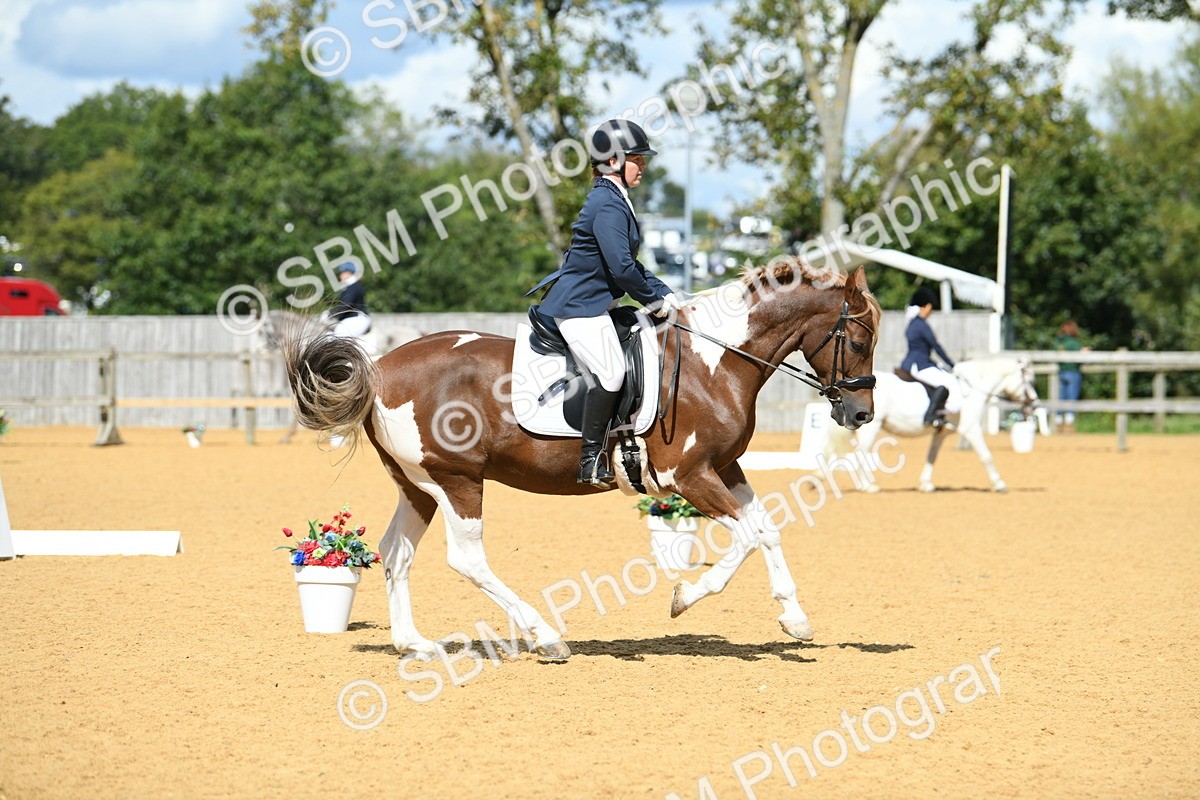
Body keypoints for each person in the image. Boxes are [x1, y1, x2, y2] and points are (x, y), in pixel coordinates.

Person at [528, 118, 687, 485]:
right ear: (614, 161)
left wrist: (666, 292)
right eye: (637, 158)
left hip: (596, 303)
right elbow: (621, 268)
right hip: (579, 307)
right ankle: (589, 459)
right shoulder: (608, 204)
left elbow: (629, 266)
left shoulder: (614, 199)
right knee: (612, 372)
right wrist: (655, 299)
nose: (643, 165)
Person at [901, 286, 960, 428]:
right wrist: (952, 365)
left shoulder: (912, 323)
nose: (931, 311)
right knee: (947, 382)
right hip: (920, 364)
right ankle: (930, 416)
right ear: (925, 307)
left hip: (914, 362)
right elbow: (936, 346)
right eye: (931, 308)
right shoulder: (921, 325)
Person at [1054, 320, 1086, 432]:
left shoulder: (1058, 342)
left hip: (1061, 372)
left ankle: (1058, 420)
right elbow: (1078, 355)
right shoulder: (1073, 342)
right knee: (1072, 397)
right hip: (1073, 371)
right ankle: (1069, 422)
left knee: (1061, 397)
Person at [330, 262, 370, 338]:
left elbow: (345, 305)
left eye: (342, 273)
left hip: (356, 319)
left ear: (348, 273)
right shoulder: (353, 286)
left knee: (338, 337)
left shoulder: (352, 286)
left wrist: (330, 314)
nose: (340, 276)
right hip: (355, 319)